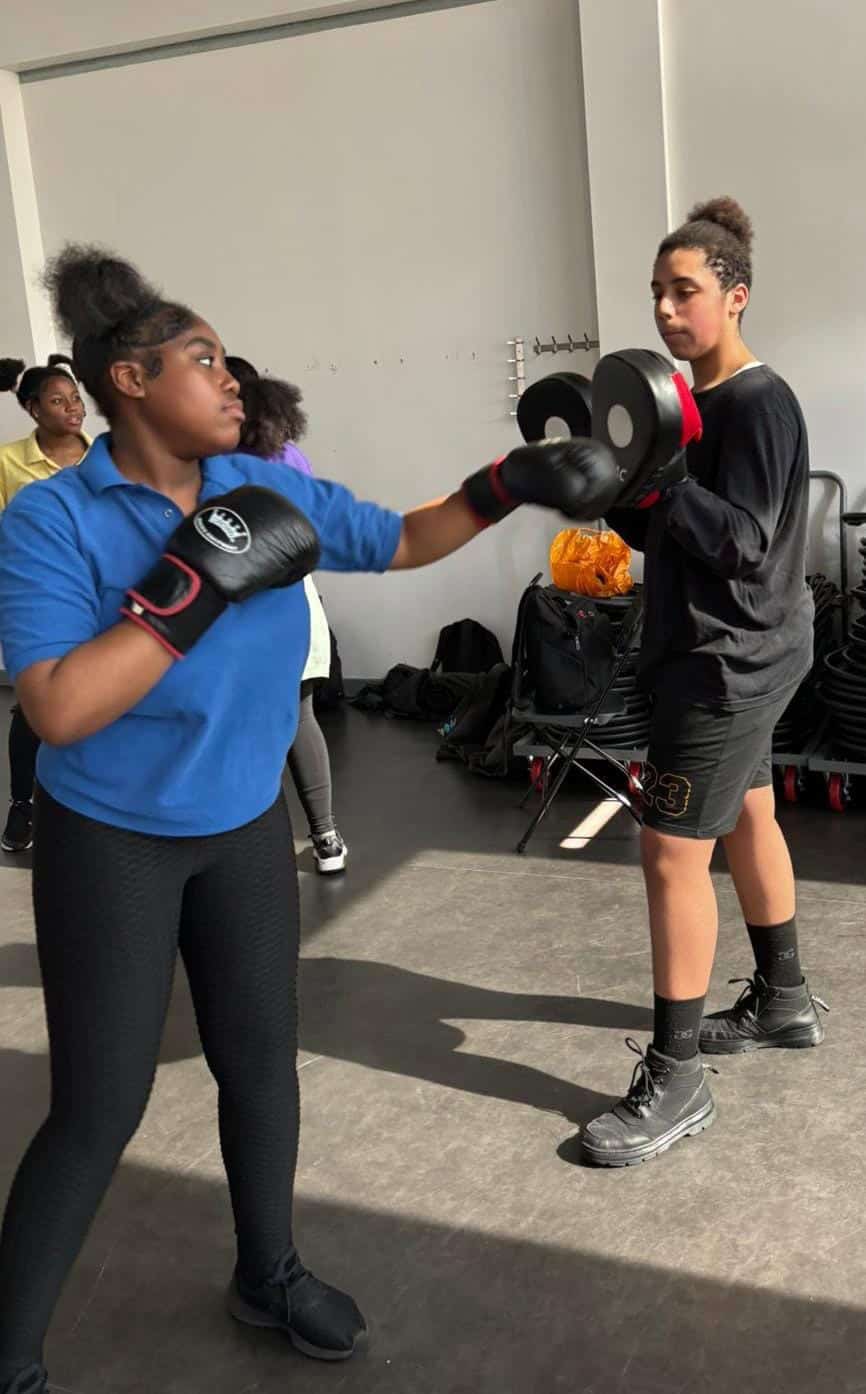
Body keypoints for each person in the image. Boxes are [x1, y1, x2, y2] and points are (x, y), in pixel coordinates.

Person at [0, 243, 621, 1394]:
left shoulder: (266, 490)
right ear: (127, 381)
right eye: (201, 359)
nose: (231, 377)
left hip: (240, 824)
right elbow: (59, 706)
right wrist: (192, 585)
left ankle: (267, 1268)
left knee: (259, 1061)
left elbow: (402, 536)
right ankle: (11, 1352)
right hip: (114, 839)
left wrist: (511, 481)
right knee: (100, 1106)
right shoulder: (52, 522)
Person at [581, 197, 827, 1169]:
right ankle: (780, 999)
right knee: (747, 818)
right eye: (654, 293)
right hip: (726, 645)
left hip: (727, 661)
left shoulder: (756, 404)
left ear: (733, 296)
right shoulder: (685, 407)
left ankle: (676, 1078)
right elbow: (667, 534)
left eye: (682, 291)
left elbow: (743, 541)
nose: (663, 309)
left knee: (668, 854)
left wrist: (659, 481)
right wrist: (621, 491)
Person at [225, 356, 347, 873]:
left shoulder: (208, 463)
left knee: (244, 724)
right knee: (298, 716)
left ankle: (258, 846)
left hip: (235, 609)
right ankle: (325, 839)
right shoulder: (288, 456)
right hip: (294, 599)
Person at [0, 356, 90, 856]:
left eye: (75, 398)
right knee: (36, 705)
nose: (71, 408)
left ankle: (94, 808)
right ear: (33, 409)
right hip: (37, 602)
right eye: (57, 401)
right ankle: (23, 804)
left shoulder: (106, 454)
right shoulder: (8, 461)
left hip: (102, 600)